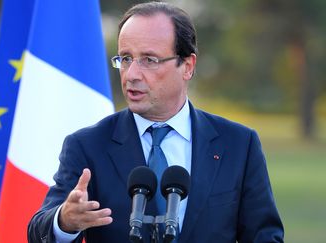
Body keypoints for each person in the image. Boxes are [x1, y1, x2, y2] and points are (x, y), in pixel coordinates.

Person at [28, 2, 284, 243]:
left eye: (149, 60)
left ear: (187, 65)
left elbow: (265, 235)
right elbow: (39, 229)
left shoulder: (238, 144)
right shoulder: (87, 146)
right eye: (125, 59)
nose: (132, 74)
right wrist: (65, 221)